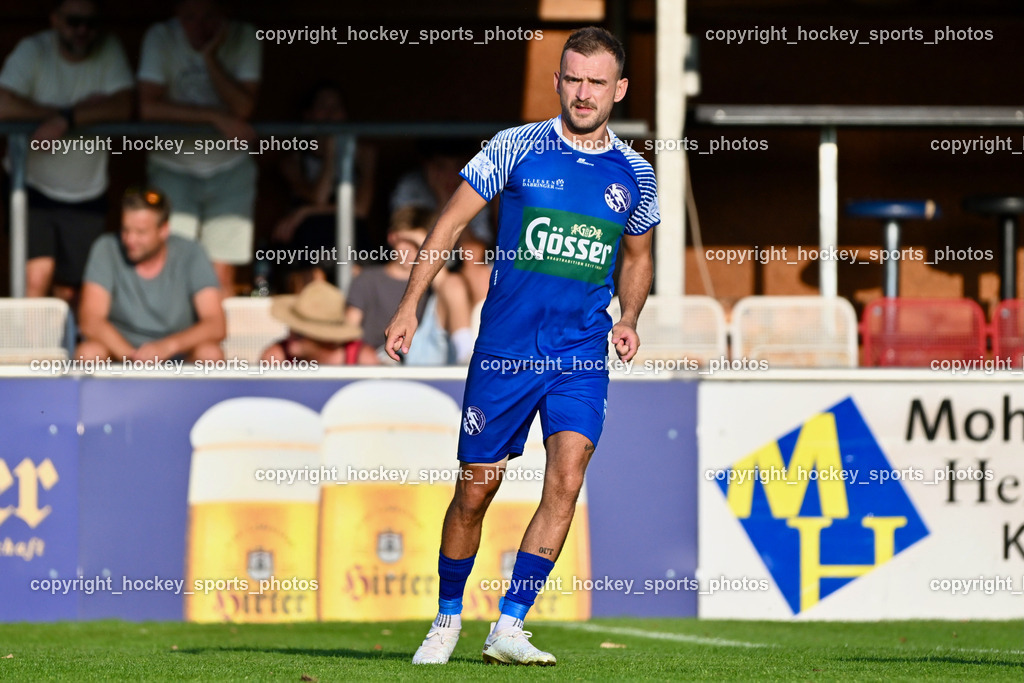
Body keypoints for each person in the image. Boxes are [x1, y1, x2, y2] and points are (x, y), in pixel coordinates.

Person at [386, 27, 659, 665]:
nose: (583, 92)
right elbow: (450, 223)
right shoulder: (515, 146)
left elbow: (638, 256)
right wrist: (410, 303)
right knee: (476, 488)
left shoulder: (636, 173)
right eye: (573, 79)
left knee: (567, 477)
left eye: (597, 82)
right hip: (506, 353)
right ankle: (447, 619)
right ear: (557, 81)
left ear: (619, 89)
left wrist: (632, 315)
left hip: (581, 352)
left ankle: (510, 624)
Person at [0, 0, 133, 305]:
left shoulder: (108, 49)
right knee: (35, 278)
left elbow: (123, 106)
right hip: (31, 184)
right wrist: (69, 114)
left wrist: (65, 121)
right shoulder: (32, 50)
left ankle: (68, 352)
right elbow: (3, 104)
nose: (83, 30)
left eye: (91, 23)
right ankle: (30, 352)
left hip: (87, 189)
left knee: (75, 290)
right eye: (74, 21)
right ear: (56, 20)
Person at [137, 0, 261, 297]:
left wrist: (210, 58)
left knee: (221, 275)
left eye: (209, 17)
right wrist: (213, 116)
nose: (200, 26)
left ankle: (213, 345)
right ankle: (172, 345)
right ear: (177, 14)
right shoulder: (160, 37)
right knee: (171, 269)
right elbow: (148, 108)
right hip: (172, 167)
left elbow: (243, 108)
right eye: (190, 17)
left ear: (225, 15)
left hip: (229, 169)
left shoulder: (244, 36)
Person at [76, 186, 225, 363]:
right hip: (122, 354)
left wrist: (168, 347)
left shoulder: (192, 253)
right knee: (88, 352)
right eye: (125, 230)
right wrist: (132, 356)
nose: (130, 240)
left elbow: (216, 325)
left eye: (140, 232)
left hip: (178, 356)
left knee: (210, 354)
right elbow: (90, 320)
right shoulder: (106, 247)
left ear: (163, 230)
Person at [272, 81, 376, 292]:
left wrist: (304, 212)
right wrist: (329, 154)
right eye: (323, 107)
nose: (330, 114)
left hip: (352, 238)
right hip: (310, 240)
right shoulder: (293, 161)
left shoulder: (364, 153)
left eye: (336, 108)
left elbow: (361, 209)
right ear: (309, 115)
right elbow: (318, 197)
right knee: (311, 281)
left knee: (356, 274)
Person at [261, 280, 362, 365]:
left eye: (300, 333)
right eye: (292, 327)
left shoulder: (361, 360)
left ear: (326, 339)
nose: (291, 336)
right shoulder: (276, 359)